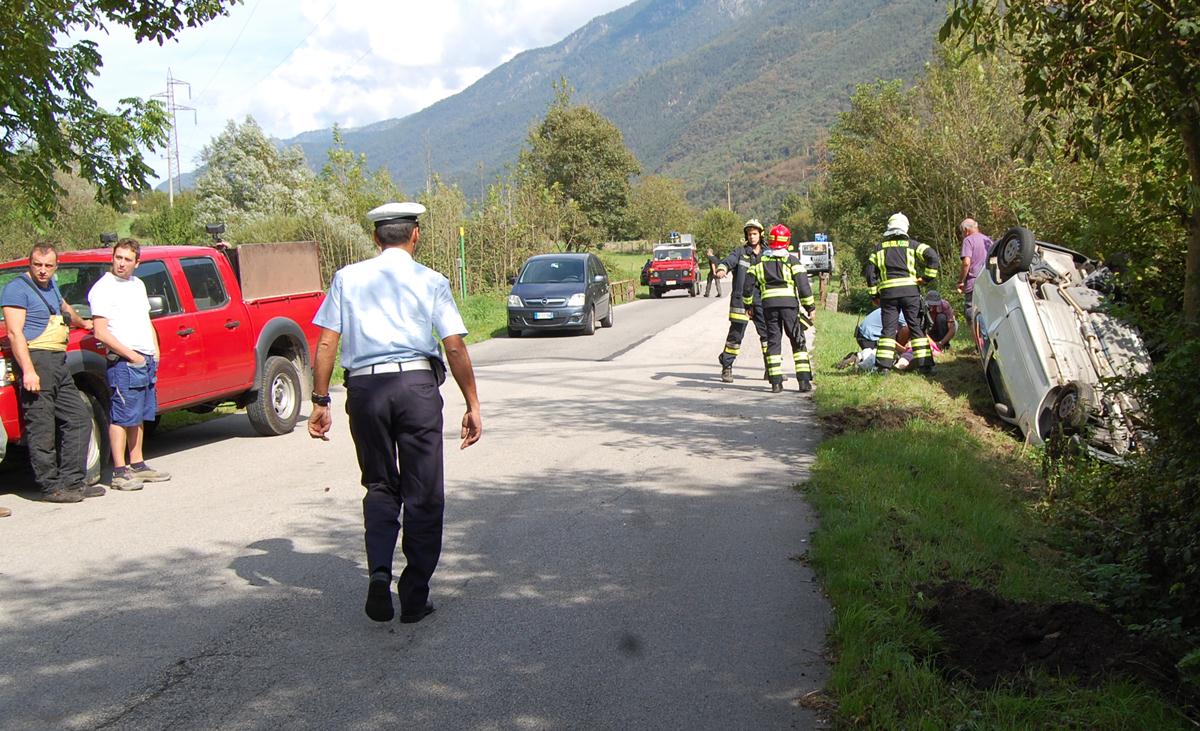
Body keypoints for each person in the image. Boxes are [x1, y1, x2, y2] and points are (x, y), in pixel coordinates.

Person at [308, 201, 482, 624]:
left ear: (375, 237)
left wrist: (320, 400)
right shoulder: (431, 281)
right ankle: (415, 595)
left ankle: (379, 574)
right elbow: (454, 346)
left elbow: (327, 342)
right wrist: (472, 403)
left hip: (366, 390)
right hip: (416, 388)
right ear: (415, 235)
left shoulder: (347, 278)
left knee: (380, 485)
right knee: (424, 493)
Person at [1, 243, 103, 503]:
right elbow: (14, 333)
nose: (43, 270)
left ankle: (73, 482)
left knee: (79, 418)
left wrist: (84, 323)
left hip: (58, 361)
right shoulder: (16, 289)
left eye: (48, 265)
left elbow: (65, 308)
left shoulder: (51, 285)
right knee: (42, 428)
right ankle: (51, 487)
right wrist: (28, 371)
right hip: (37, 360)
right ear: (30, 263)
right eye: (38, 265)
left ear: (56, 267)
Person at [88, 238, 170, 490]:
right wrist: (131, 356)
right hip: (124, 361)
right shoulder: (103, 288)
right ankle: (119, 471)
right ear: (112, 258)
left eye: (127, 259)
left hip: (146, 358)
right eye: (118, 258)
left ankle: (138, 464)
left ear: (137, 263)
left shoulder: (138, 285)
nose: (121, 263)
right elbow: (101, 332)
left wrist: (154, 350)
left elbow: (146, 319)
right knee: (122, 416)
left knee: (139, 414)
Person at [863, 213, 940, 374]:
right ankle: (925, 366)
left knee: (888, 330)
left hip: (888, 295)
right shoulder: (912, 245)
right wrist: (926, 278)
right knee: (916, 328)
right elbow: (932, 256)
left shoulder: (878, 249)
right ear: (905, 227)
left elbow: (870, 273)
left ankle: (883, 367)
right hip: (910, 293)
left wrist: (874, 295)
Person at [744, 224, 816, 393]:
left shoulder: (759, 261)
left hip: (768, 307)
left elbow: (747, 286)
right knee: (797, 340)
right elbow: (803, 287)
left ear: (770, 240)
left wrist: (748, 305)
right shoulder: (792, 261)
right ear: (787, 241)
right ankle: (804, 382)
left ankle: (776, 383)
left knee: (773, 342)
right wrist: (810, 307)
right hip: (789, 306)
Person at [713, 219, 769, 382]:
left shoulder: (768, 253)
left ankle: (771, 369)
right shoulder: (740, 252)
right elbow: (728, 261)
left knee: (767, 335)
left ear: (761, 234)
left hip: (761, 300)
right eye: (749, 234)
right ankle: (727, 367)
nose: (752, 237)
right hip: (741, 302)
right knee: (735, 336)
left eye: (754, 234)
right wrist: (722, 269)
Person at [955, 218, 992, 326]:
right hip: (988, 281)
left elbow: (966, 263)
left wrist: (961, 281)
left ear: (966, 230)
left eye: (962, 233)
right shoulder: (988, 241)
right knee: (987, 313)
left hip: (974, 283)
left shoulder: (968, 240)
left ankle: (976, 337)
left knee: (972, 315)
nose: (963, 235)